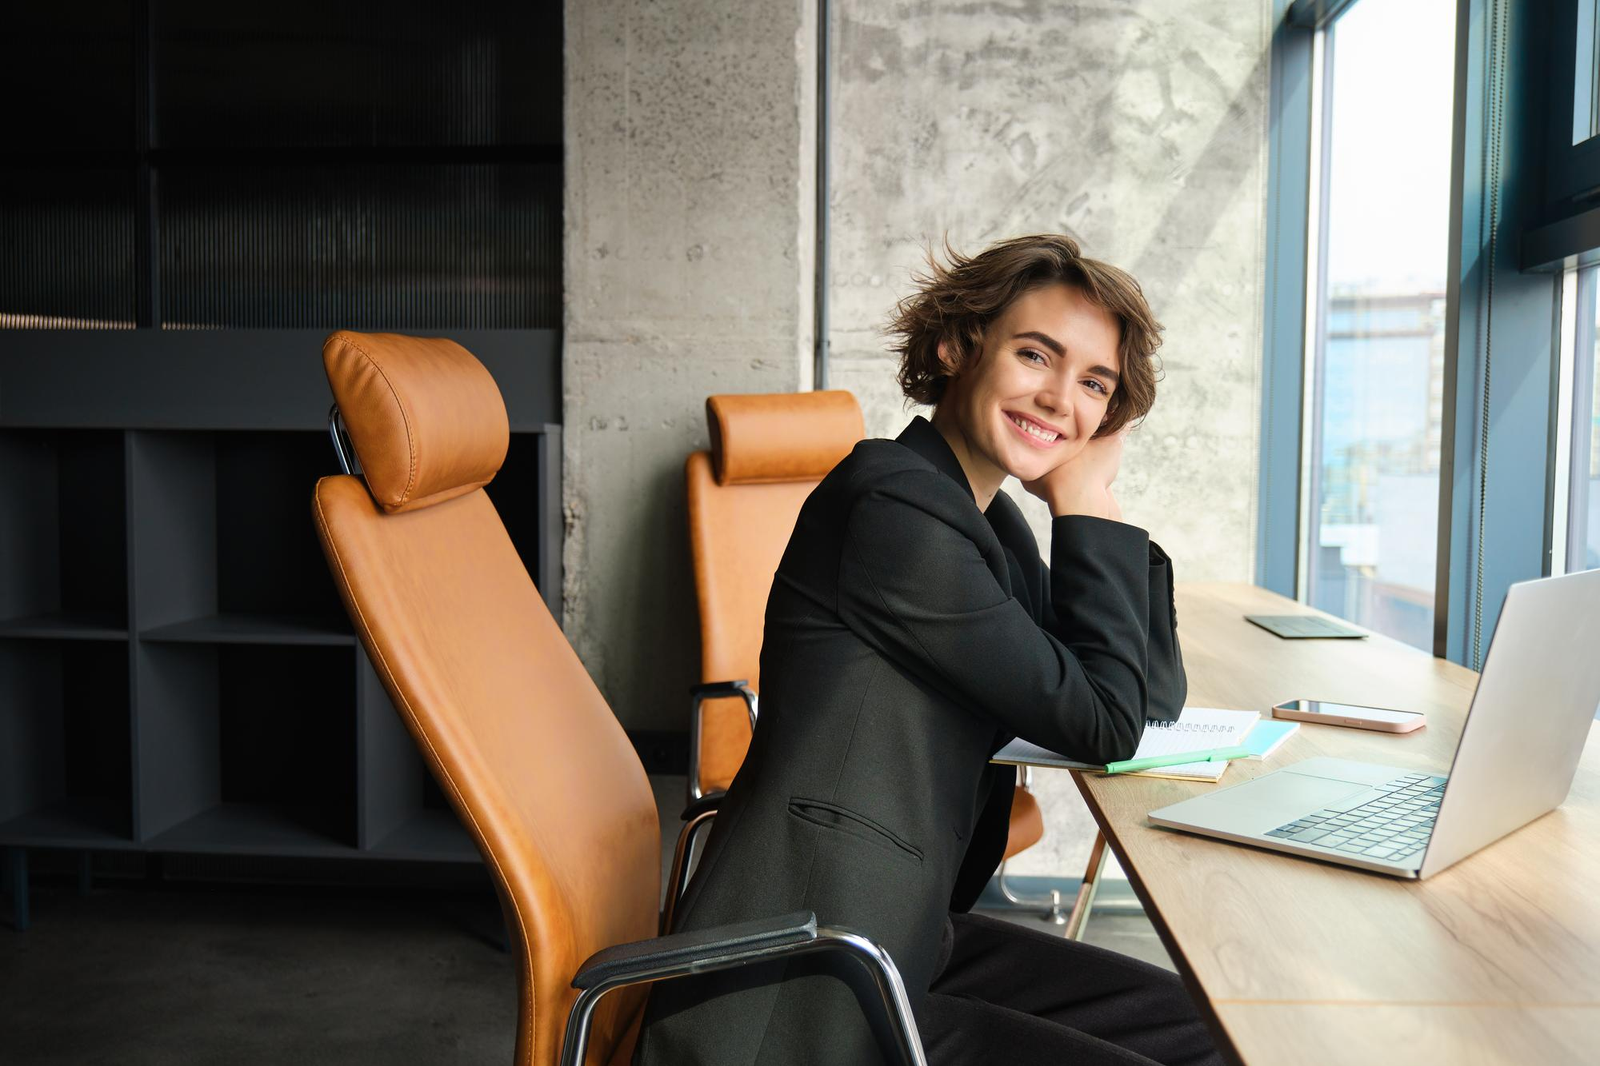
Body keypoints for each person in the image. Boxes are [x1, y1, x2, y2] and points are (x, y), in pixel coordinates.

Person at [634, 234, 1220, 1065]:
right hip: (798, 983)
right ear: (956, 345)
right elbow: (1104, 722)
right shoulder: (895, 509)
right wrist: (1081, 501)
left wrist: (1100, 506)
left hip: (899, 933)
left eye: (1095, 383)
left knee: (1203, 1029)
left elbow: (1145, 699)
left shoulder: (987, 525)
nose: (1062, 399)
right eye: (1035, 356)